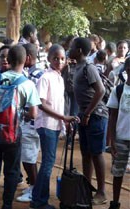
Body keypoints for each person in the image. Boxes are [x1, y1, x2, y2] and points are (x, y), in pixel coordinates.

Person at [0, 45, 40, 209]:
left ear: (8, 59)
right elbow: (34, 114)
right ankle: (7, 205)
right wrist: (21, 113)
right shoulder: (27, 83)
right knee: (11, 172)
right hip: (12, 133)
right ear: (25, 60)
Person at [29, 45, 78, 209]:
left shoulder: (59, 77)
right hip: (47, 125)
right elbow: (40, 104)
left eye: (62, 58)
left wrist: (64, 122)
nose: (59, 61)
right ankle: (39, 201)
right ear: (49, 58)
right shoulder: (46, 77)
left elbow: (58, 104)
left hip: (55, 124)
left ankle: (38, 197)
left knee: (48, 162)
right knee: (48, 163)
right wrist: (63, 118)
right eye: (56, 58)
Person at [68, 37, 108, 205]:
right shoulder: (76, 67)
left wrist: (89, 112)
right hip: (85, 115)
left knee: (96, 153)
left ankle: (101, 192)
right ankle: (86, 187)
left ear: (79, 50)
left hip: (96, 115)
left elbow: (100, 90)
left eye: (71, 47)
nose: (69, 49)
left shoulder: (88, 68)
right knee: (85, 152)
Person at [16, 43, 45, 203]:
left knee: (29, 157)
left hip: (31, 123)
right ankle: (33, 186)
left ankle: (34, 189)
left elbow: (37, 101)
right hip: (31, 122)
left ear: (28, 57)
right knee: (28, 155)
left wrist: (27, 114)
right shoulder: (37, 72)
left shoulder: (34, 76)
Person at [106, 57, 130, 209]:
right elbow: (112, 116)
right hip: (121, 138)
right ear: (127, 71)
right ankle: (115, 203)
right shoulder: (119, 90)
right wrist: (111, 141)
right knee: (117, 172)